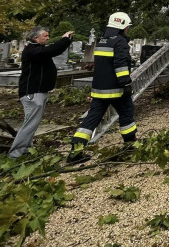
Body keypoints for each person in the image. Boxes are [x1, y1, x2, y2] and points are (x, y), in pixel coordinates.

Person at [66, 12, 136, 164]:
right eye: (127, 27)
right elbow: (121, 65)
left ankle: (75, 151)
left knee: (91, 119)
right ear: (122, 27)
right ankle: (130, 146)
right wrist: (126, 83)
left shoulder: (103, 41)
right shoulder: (120, 42)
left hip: (99, 89)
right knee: (127, 115)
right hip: (116, 89)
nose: (128, 30)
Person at [8, 26, 73, 158]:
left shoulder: (37, 49)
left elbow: (52, 50)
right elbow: (53, 50)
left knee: (32, 123)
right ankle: (16, 153)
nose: (48, 38)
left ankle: (25, 149)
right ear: (36, 38)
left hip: (38, 91)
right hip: (32, 93)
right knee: (30, 123)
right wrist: (64, 40)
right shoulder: (32, 50)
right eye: (45, 36)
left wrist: (66, 41)